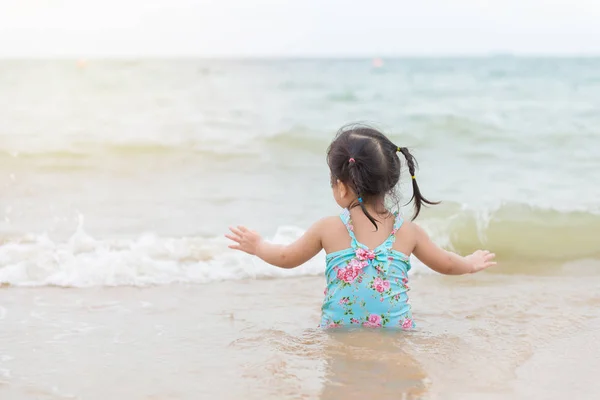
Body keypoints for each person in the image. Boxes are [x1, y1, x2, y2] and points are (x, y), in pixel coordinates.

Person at [225, 124, 496, 329]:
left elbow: (286, 258)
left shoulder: (327, 228)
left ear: (341, 186)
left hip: (338, 331)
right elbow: (447, 264)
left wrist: (258, 246)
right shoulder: (409, 232)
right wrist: (470, 263)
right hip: (395, 332)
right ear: (390, 182)